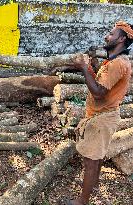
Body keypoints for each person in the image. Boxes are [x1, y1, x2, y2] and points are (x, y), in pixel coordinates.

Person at [63, 21, 133, 205]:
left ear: (121, 39)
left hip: (102, 117)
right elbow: (102, 85)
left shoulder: (117, 64)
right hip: (103, 115)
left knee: (91, 160)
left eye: (111, 34)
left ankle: (82, 202)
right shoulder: (114, 61)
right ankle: (92, 186)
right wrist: (92, 67)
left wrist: (85, 68)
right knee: (97, 156)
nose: (106, 36)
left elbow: (99, 93)